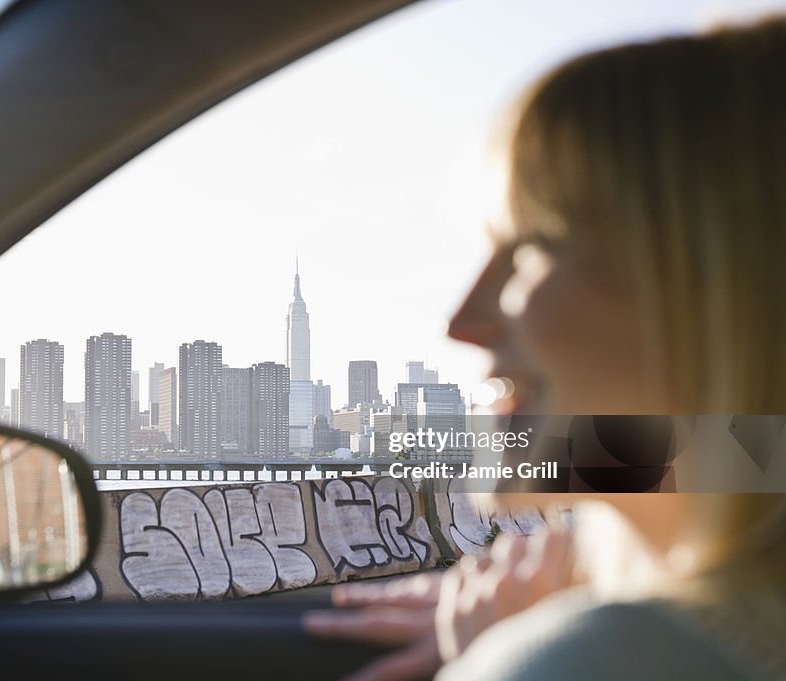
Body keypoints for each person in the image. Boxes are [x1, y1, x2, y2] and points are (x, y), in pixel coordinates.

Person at [304, 16, 786, 681]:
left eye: (532, 248)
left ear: (722, 287)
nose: (463, 320)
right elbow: (757, 450)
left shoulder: (595, 659)